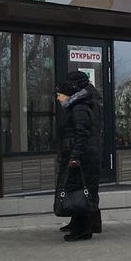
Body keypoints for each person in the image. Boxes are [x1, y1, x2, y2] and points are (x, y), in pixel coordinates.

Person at [55, 69, 103, 241]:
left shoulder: (81, 106)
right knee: (77, 188)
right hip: (82, 153)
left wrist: (75, 155)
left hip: (83, 155)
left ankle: (84, 228)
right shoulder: (83, 103)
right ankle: (78, 222)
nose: (58, 98)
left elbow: (82, 133)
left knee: (81, 189)